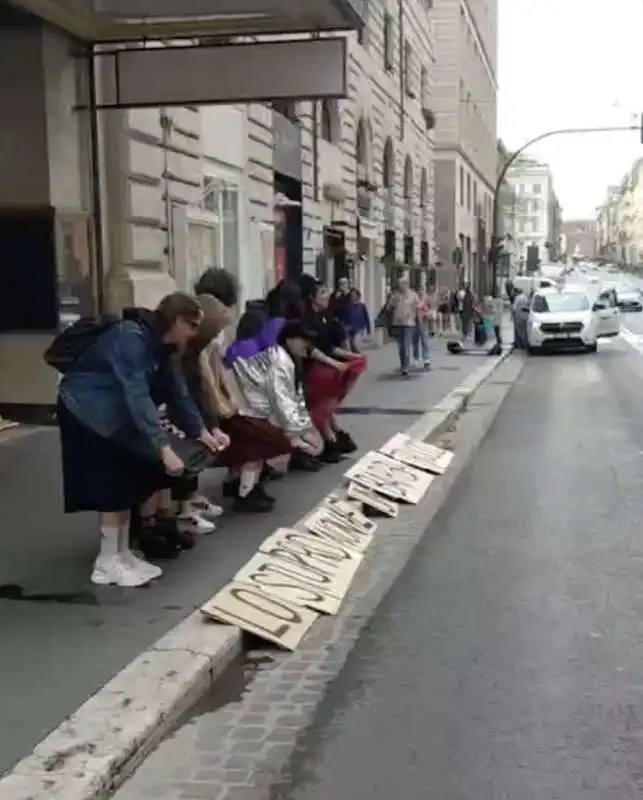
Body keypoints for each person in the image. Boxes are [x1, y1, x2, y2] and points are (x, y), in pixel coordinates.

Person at [56, 293, 225, 588]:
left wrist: (203, 432)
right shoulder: (130, 337)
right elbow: (136, 393)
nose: (196, 334)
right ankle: (107, 561)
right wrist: (163, 447)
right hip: (87, 411)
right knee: (112, 482)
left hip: (113, 412)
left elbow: (178, 393)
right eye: (193, 326)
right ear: (177, 321)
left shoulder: (164, 346)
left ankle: (121, 553)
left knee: (127, 478)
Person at [222, 313, 324, 504]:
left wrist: (302, 429)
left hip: (249, 410)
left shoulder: (283, 358)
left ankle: (245, 489)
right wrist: (297, 433)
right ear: (290, 340)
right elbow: (282, 399)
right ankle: (246, 494)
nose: (307, 346)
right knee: (257, 451)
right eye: (304, 340)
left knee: (255, 452)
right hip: (249, 411)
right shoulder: (281, 362)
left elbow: (293, 398)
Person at [299, 275, 366, 459]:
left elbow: (329, 346)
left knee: (325, 406)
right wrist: (336, 363)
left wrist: (353, 357)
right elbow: (312, 348)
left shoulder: (323, 317)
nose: (326, 296)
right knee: (320, 407)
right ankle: (331, 441)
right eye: (322, 293)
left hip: (325, 366)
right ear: (312, 297)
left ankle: (334, 439)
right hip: (313, 369)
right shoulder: (308, 319)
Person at [387, 276, 420, 376]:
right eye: (399, 284)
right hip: (397, 323)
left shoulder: (413, 295)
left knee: (406, 345)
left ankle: (405, 366)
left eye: (402, 284)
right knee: (401, 346)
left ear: (407, 284)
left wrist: (418, 317)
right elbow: (388, 308)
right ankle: (403, 364)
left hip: (409, 324)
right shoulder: (396, 296)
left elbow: (419, 307)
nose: (401, 286)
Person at [344, 288, 371, 352]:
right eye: (351, 295)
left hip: (359, 329)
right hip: (349, 329)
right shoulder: (347, 306)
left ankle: (359, 357)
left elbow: (366, 317)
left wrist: (368, 330)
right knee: (349, 347)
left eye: (354, 295)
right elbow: (344, 317)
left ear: (358, 296)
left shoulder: (362, 306)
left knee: (356, 344)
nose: (353, 296)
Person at [413, 289, 431, 370]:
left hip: (423, 324)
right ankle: (416, 358)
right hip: (415, 324)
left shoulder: (424, 304)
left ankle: (426, 359)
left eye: (422, 294)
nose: (421, 296)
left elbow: (429, 313)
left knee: (424, 341)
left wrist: (426, 314)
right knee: (416, 341)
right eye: (419, 294)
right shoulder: (414, 304)